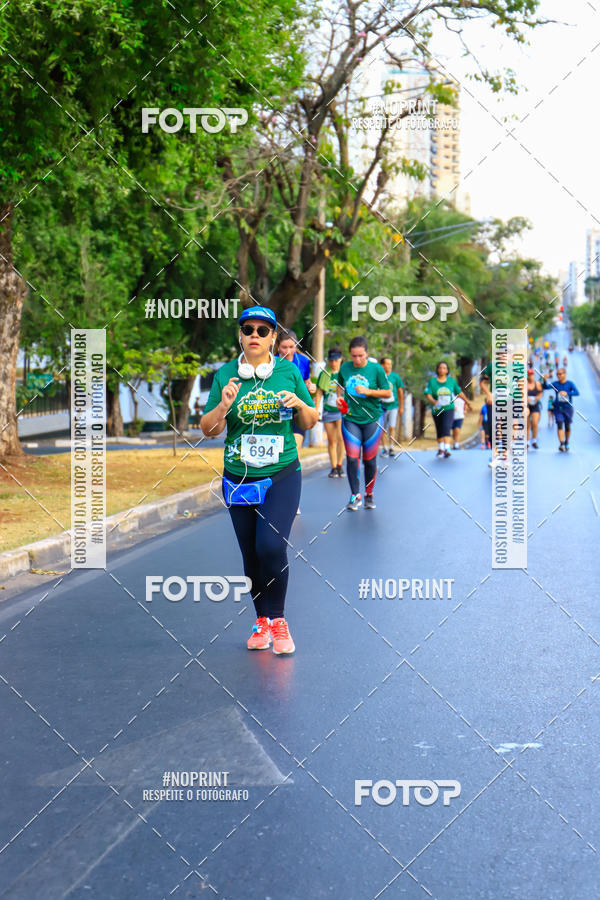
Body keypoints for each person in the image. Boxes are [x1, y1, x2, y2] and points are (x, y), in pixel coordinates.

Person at [201, 306, 317, 655]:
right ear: (240, 335)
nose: (254, 335)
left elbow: (311, 421)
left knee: (271, 546)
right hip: (239, 476)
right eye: (247, 329)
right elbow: (208, 430)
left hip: (281, 473)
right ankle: (261, 621)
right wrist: (222, 407)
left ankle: (279, 620)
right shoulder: (224, 375)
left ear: (272, 339)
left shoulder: (287, 372)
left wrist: (299, 404)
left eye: (262, 331)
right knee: (250, 555)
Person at [336, 336, 391, 510]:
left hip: (372, 419)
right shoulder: (345, 368)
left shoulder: (376, 370)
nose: (357, 360)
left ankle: (369, 493)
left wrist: (368, 391)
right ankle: (355, 495)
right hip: (351, 418)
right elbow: (340, 385)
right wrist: (339, 399)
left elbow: (388, 393)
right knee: (352, 459)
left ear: (367, 353)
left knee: (369, 460)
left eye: (361, 356)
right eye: (354, 356)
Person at [277, 329, 316, 451]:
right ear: (277, 346)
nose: (288, 351)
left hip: (298, 411)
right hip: (277, 412)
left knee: (295, 449)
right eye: (284, 347)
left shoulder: (303, 361)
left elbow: (306, 383)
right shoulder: (271, 362)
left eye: (291, 347)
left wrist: (311, 388)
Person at [425, 362, 472, 458]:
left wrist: (467, 402)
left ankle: (447, 448)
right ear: (437, 370)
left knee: (446, 426)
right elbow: (428, 394)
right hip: (437, 409)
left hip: (448, 408)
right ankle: (441, 448)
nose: (442, 370)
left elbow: (459, 393)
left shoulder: (451, 381)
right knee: (439, 429)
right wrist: (434, 401)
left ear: (447, 370)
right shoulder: (432, 381)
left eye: (444, 368)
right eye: (440, 368)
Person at [315, 348, 345, 477]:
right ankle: (333, 467)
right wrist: (316, 410)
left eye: (336, 360)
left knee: (341, 438)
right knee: (332, 440)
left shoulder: (343, 374)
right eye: (331, 360)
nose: (333, 363)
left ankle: (339, 465)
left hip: (340, 411)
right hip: (328, 411)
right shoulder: (324, 374)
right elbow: (319, 392)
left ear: (340, 360)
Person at [542, 367, 579, 451]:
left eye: (560, 374)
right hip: (558, 408)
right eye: (557, 374)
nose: (558, 375)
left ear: (564, 374)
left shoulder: (570, 384)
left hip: (568, 408)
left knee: (567, 426)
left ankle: (566, 442)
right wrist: (544, 380)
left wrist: (567, 393)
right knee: (559, 424)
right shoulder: (555, 383)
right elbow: (546, 387)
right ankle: (561, 443)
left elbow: (577, 392)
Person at [379, 357, 404, 458]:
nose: (389, 366)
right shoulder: (379, 376)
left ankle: (392, 447)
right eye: (387, 364)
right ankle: (385, 448)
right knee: (383, 428)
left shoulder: (395, 377)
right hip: (382, 406)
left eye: (390, 364)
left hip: (393, 406)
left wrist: (401, 407)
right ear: (382, 365)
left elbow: (400, 392)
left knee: (392, 427)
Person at [526, 368, 542, 449]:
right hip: (527, 406)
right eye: (529, 374)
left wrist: (537, 398)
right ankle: (527, 442)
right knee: (527, 424)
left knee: (535, 423)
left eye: (531, 374)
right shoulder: (524, 384)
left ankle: (534, 440)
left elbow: (540, 392)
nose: (530, 376)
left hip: (535, 405)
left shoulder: (537, 384)